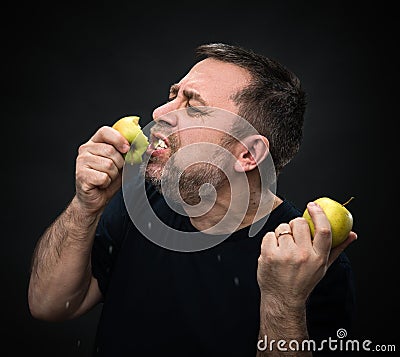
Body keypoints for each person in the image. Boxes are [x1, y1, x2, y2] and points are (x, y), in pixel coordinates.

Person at [28, 43, 357, 356]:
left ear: (247, 153)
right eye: (172, 96)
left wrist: (283, 303)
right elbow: (49, 305)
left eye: (194, 106)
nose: (160, 112)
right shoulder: (139, 206)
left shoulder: (308, 260)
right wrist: (86, 208)